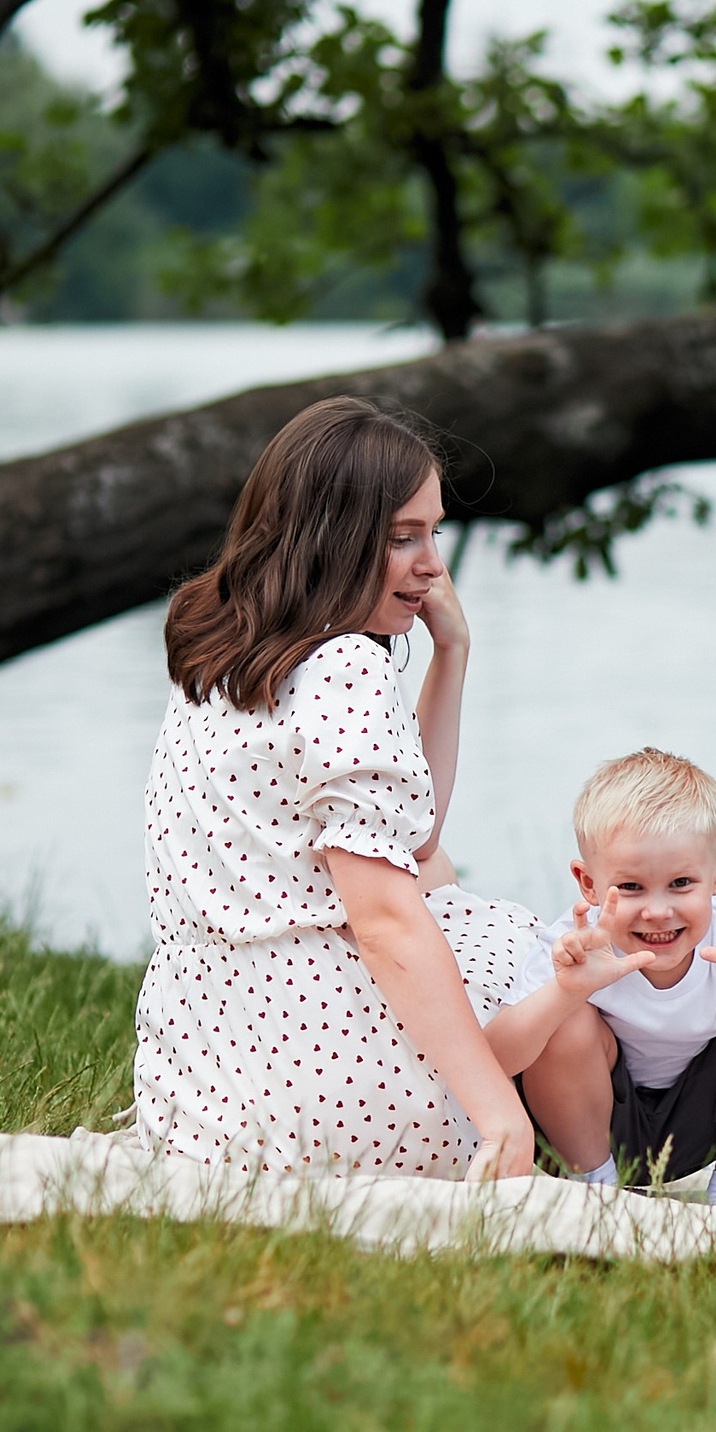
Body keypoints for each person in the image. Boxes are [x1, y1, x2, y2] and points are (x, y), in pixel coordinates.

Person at [131, 396, 544, 1181]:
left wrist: (450, 653)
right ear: (332, 536)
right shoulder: (345, 667)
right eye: (403, 537)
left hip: (198, 1080)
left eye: (434, 533)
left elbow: (413, 834)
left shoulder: (219, 651)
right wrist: (499, 1117)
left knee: (438, 876)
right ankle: (574, 1141)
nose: (433, 565)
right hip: (326, 1085)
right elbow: (385, 921)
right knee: (535, 959)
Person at [495, 748, 716, 1205]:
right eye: (630, 887)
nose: (657, 911)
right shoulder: (576, 943)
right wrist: (564, 991)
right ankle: (598, 1194)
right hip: (584, 1131)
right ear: (588, 883)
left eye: (680, 884)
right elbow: (496, 1063)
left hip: (702, 1128)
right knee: (564, 1018)